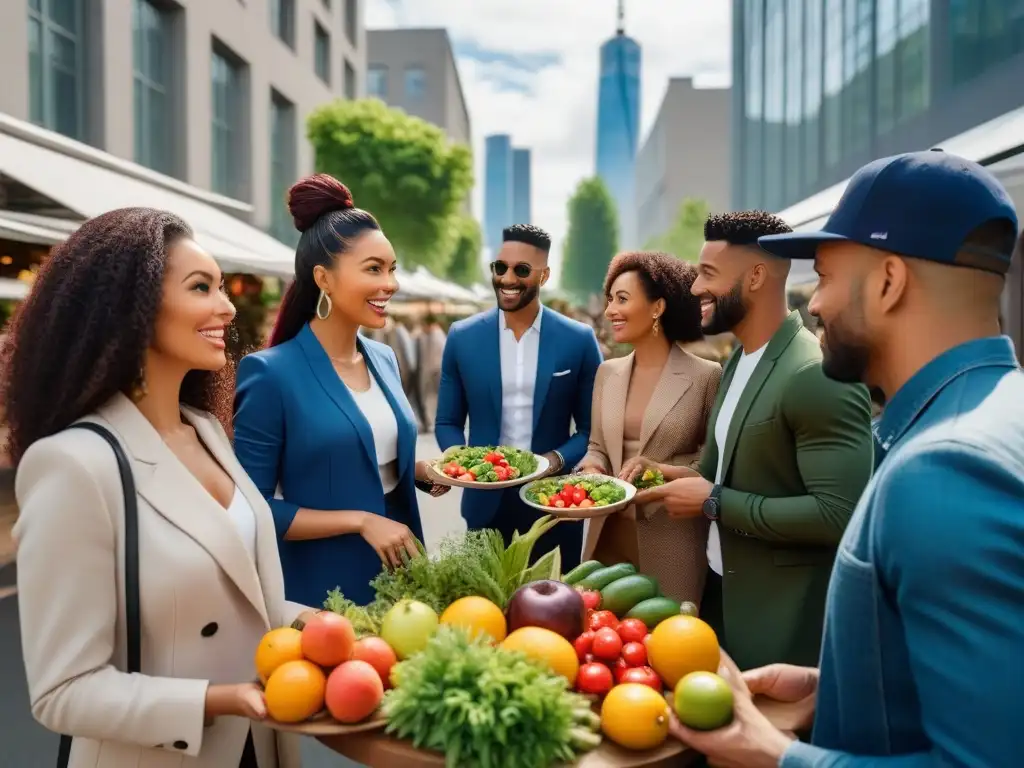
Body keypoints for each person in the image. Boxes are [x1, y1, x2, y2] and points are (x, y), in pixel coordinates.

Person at [671, 150, 1024, 767]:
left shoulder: (945, 468)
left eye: (827, 277)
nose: (815, 306)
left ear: (889, 282)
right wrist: (834, 690)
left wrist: (778, 755)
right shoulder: (993, 412)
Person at [5, 208, 300, 767]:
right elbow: (63, 691)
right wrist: (220, 701)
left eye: (221, 285)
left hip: (257, 747)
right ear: (130, 309)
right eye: (201, 287)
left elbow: (239, 601)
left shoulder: (209, 431)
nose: (228, 305)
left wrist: (330, 625)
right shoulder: (72, 465)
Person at [636, 211, 873, 671]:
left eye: (708, 274)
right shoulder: (737, 363)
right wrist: (670, 475)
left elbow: (839, 513)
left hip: (783, 626)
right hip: (719, 597)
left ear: (757, 276)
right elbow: (718, 474)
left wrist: (713, 502)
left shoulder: (814, 373)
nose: (695, 288)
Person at [234, 174, 447, 608]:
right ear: (323, 279)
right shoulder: (269, 373)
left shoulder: (383, 359)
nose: (390, 284)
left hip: (403, 578)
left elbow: (367, 456)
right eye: (374, 269)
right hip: (324, 592)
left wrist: (420, 471)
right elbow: (251, 509)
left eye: (392, 269)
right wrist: (362, 522)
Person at [435, 224, 603, 571]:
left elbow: (591, 430)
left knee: (556, 613)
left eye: (521, 270)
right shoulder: (462, 337)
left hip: (555, 504)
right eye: (500, 267)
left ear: (544, 275)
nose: (507, 278)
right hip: (484, 503)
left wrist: (552, 462)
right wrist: (465, 463)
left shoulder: (579, 339)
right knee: (485, 611)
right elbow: (447, 422)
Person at [578, 251, 721, 603]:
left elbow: (713, 464)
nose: (610, 310)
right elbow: (597, 446)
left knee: (670, 647)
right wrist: (593, 467)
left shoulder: (706, 375)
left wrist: (658, 472)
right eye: (610, 299)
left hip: (673, 542)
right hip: (607, 535)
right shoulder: (606, 373)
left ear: (657, 307)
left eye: (622, 299)